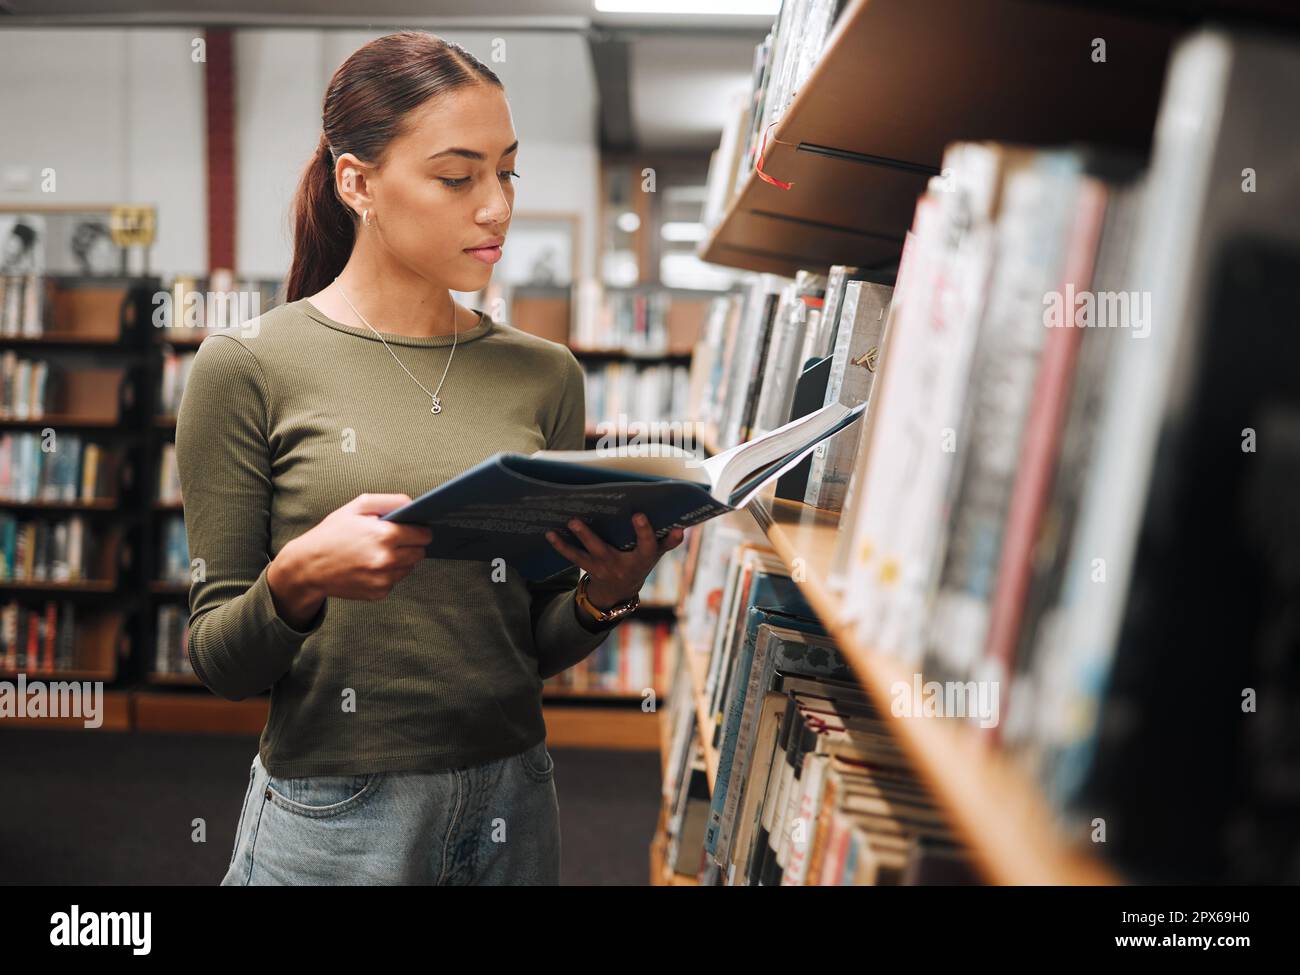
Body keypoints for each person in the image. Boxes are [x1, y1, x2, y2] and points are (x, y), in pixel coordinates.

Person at [175, 30, 684, 886]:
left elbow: (527, 641)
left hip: (516, 799)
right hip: (336, 814)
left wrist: (607, 593)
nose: (496, 207)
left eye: (508, 171)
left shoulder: (546, 373)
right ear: (357, 183)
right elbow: (220, 659)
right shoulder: (247, 366)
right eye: (458, 176)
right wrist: (297, 579)